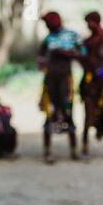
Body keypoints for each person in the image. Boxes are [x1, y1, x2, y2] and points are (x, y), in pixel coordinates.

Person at [38, 12, 86, 164]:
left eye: (48, 24)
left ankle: (74, 151)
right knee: (50, 113)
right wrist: (43, 63)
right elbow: (40, 55)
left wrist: (67, 53)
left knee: (67, 112)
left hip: (66, 81)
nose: (46, 27)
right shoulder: (49, 38)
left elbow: (83, 53)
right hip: (50, 81)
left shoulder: (72, 35)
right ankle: (47, 152)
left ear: (54, 22)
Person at [78, 11, 103, 158]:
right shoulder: (87, 42)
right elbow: (82, 59)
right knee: (88, 114)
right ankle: (84, 147)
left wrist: (102, 73)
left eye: (90, 22)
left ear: (96, 22)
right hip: (90, 83)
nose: (88, 25)